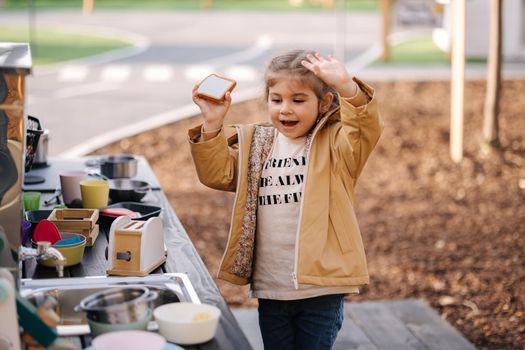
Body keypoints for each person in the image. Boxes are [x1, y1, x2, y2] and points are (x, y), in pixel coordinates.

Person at [188, 49, 383, 350]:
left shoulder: (336, 146)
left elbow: (363, 129)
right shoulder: (258, 144)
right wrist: (212, 124)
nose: (285, 109)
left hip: (319, 289)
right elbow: (218, 174)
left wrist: (348, 89)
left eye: (298, 100)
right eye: (276, 100)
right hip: (271, 289)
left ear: (324, 103)